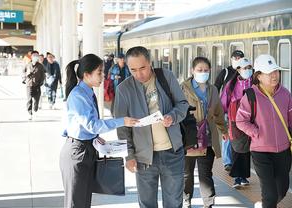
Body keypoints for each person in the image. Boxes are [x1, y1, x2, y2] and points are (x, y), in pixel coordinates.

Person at [59, 53, 138, 208]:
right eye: (99, 72)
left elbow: (81, 127)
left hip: (85, 149)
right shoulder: (78, 95)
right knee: (76, 203)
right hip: (77, 153)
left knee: (83, 201)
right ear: (86, 75)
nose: (103, 75)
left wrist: (93, 136)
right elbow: (92, 125)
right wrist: (122, 121)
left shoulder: (87, 93)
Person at [114, 46, 189, 208]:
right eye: (133, 70)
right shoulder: (123, 90)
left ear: (150, 63)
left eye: (142, 68)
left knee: (174, 203)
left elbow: (183, 104)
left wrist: (172, 116)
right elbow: (122, 128)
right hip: (143, 158)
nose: (139, 74)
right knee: (147, 204)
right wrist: (129, 156)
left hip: (172, 153)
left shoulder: (165, 77)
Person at [236, 54, 292, 208]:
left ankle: (265, 204)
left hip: (283, 150)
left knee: (282, 190)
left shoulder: (285, 94)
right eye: (269, 72)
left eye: (276, 71)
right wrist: (257, 133)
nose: (274, 75)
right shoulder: (251, 96)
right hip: (261, 151)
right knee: (270, 194)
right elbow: (241, 121)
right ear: (259, 76)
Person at [181, 57, 228, 208]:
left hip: (208, 137)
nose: (203, 73)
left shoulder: (213, 89)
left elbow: (218, 112)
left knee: (206, 174)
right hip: (188, 137)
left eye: (206, 70)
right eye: (199, 70)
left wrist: (223, 130)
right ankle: (186, 199)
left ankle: (208, 203)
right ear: (192, 71)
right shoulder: (183, 89)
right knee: (186, 173)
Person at [220, 57, 253, 188]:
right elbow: (223, 103)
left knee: (247, 149)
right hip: (234, 121)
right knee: (236, 148)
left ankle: (244, 176)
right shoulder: (231, 85)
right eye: (245, 68)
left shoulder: (255, 82)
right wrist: (222, 122)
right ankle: (237, 177)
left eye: (249, 68)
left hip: (251, 120)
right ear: (238, 70)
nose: (248, 70)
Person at [214, 50, 245, 172]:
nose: (237, 60)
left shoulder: (245, 72)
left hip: (242, 109)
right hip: (227, 109)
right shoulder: (226, 72)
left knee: (240, 136)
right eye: (235, 58)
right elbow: (216, 87)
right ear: (231, 59)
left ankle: (239, 162)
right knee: (227, 134)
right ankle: (228, 161)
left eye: (240, 58)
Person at [22, 50, 45, 120]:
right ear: (31, 57)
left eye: (37, 56)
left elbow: (42, 76)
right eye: (34, 55)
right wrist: (24, 78)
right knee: (29, 99)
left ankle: (35, 107)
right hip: (29, 85)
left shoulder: (40, 66)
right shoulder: (27, 65)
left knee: (36, 100)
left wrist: (40, 83)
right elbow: (23, 72)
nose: (35, 57)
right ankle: (30, 113)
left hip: (37, 85)